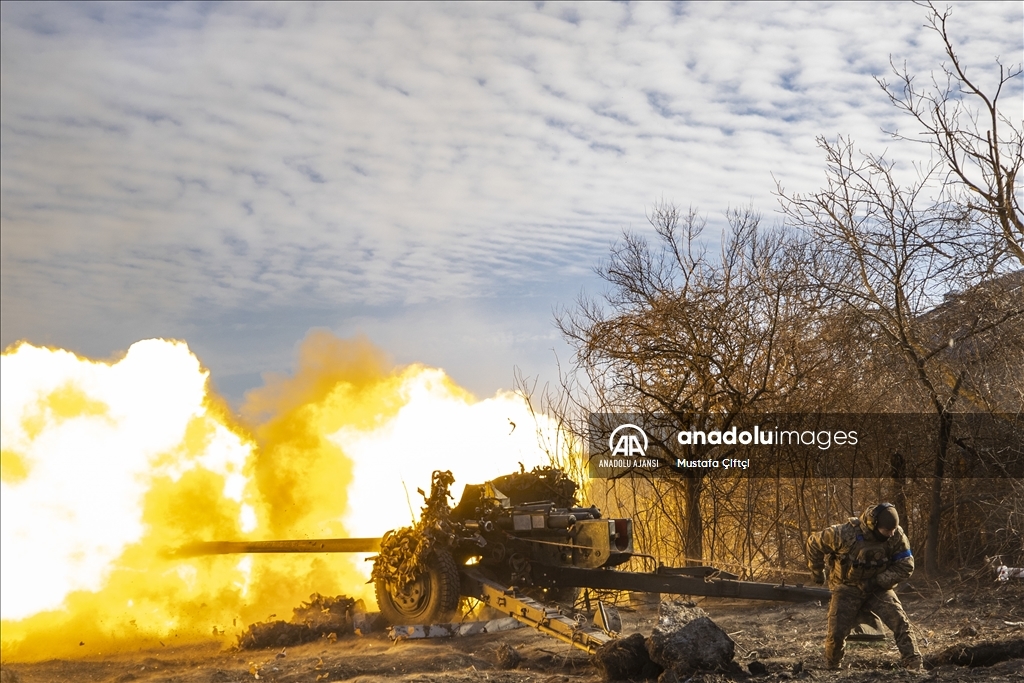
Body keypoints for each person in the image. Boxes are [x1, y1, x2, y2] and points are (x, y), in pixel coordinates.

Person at [806, 503, 923, 671]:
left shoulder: (896, 535)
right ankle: (833, 668)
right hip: (847, 588)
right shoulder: (843, 534)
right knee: (836, 633)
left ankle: (914, 664)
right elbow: (814, 543)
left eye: (893, 530)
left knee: (900, 622)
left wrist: (877, 581)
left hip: (878, 588)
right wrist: (817, 570)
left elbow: (906, 565)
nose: (891, 534)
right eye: (887, 530)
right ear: (874, 525)